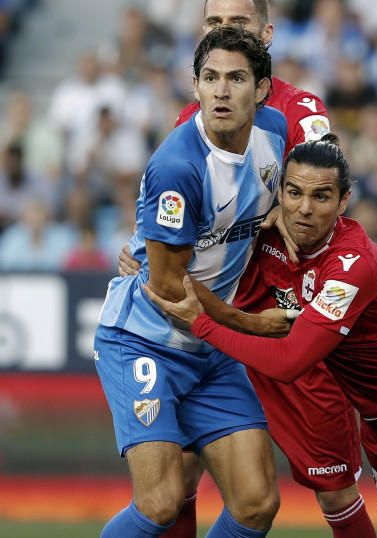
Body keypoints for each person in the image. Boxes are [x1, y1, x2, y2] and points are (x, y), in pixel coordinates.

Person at [146, 139, 377, 538]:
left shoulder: (353, 264)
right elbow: (193, 242)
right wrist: (142, 258)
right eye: (294, 193)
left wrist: (203, 325)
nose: (305, 208)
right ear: (278, 195)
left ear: (344, 201)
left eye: (321, 196)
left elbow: (290, 361)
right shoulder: (269, 237)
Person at [119, 2, 375, 536]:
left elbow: (322, 190)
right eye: (214, 25)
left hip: (282, 312)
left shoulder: (297, 113)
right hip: (211, 319)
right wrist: (141, 247)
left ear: (266, 33)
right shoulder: (192, 121)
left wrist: (287, 205)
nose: (227, 31)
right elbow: (167, 203)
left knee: (328, 481)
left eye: (239, 22)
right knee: (178, 482)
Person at [93, 27, 285, 538]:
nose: (221, 91)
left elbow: (279, 210)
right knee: (160, 502)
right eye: (210, 78)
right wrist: (250, 325)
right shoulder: (178, 167)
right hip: (145, 341)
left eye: (236, 78)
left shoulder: (277, 136)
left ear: (262, 89)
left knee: (257, 503)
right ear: (195, 86)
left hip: (208, 348)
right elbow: (167, 287)